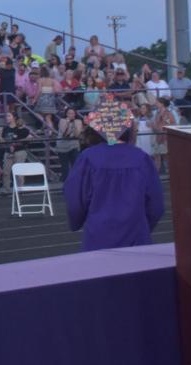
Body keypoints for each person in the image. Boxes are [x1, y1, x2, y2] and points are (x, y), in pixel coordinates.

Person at [64, 100, 165, 251]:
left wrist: (76, 222)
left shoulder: (88, 158)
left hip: (98, 237)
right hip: (136, 238)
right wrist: (143, 227)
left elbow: (75, 201)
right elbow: (156, 205)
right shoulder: (142, 158)